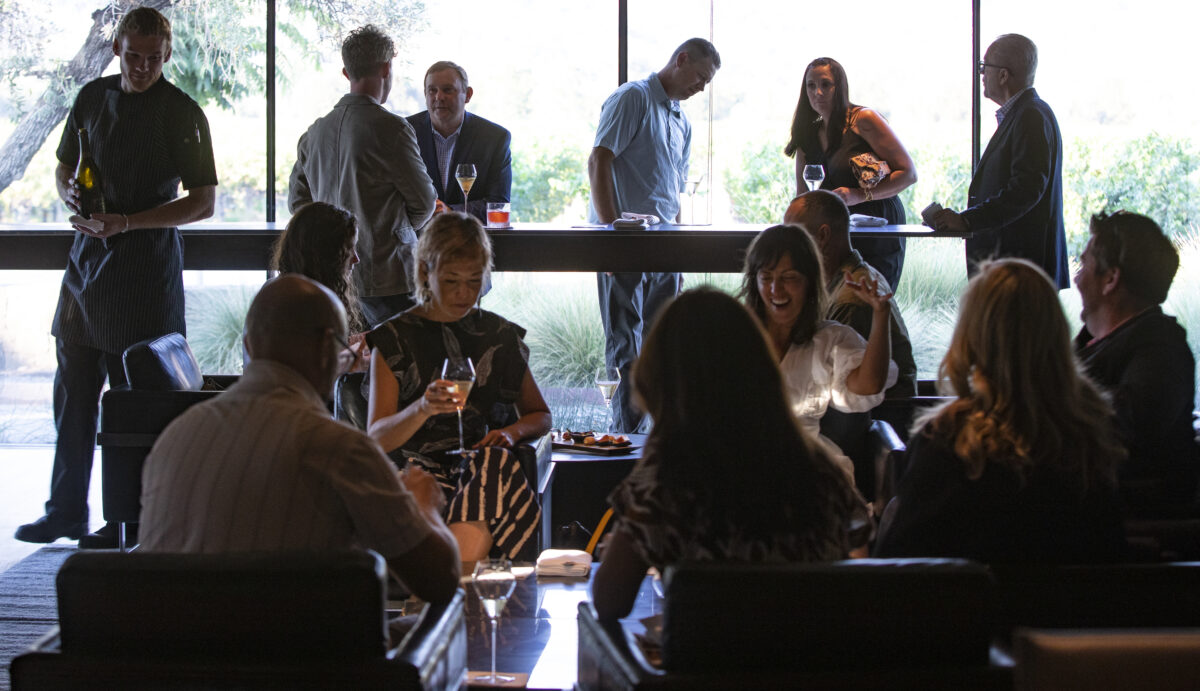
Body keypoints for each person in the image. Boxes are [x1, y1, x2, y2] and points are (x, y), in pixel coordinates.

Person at [16, 7, 218, 547]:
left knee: (134, 408)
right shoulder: (89, 100)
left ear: (168, 55)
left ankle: (127, 521)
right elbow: (63, 167)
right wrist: (68, 193)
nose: (142, 67)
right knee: (73, 397)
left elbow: (202, 203)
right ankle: (64, 511)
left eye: (153, 59)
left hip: (144, 274)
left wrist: (129, 222)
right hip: (86, 269)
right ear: (117, 51)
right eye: (133, 57)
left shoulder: (183, 113)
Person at [139, 275, 460, 606]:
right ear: (326, 348)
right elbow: (440, 581)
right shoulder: (338, 448)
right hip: (292, 654)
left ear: (248, 345)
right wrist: (422, 507)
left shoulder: (174, 437)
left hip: (171, 650)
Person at [592, 289, 862, 621]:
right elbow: (858, 550)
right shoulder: (822, 471)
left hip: (711, 666)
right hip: (811, 666)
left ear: (662, 380)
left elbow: (609, 600)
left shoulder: (671, 480)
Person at [874, 259, 1127, 563]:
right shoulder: (1093, 438)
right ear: (1056, 332)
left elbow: (905, 563)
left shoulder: (947, 442)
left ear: (972, 339)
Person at [365, 212, 551, 565]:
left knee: (493, 462)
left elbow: (540, 415)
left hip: (482, 468)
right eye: (451, 281)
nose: (464, 293)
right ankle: (464, 587)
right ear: (425, 272)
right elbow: (375, 439)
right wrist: (422, 408)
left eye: (474, 280)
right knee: (493, 480)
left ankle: (444, 589)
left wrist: (511, 433)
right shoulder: (393, 339)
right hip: (416, 474)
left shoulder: (500, 336)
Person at [588, 38, 721, 433]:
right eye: (700, 77)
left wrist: (677, 253)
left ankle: (654, 441)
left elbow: (673, 190)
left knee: (662, 348)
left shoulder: (682, 120)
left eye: (707, 82)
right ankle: (625, 443)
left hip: (665, 248)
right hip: (626, 247)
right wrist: (613, 237)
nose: (702, 87)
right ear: (681, 61)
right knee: (626, 347)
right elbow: (599, 159)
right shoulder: (633, 98)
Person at [289, 24, 437, 328]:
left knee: (350, 363)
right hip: (388, 276)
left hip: (332, 276)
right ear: (386, 68)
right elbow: (424, 202)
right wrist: (396, 232)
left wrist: (330, 243)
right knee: (400, 365)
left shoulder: (314, 133)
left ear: (347, 73)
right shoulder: (391, 129)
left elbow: (298, 205)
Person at [741, 224, 897, 466]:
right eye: (766, 278)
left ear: (809, 282)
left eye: (789, 278)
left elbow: (869, 385)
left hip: (807, 467)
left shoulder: (830, 339)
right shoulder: (734, 335)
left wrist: (881, 315)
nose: (775, 289)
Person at [1073, 211, 1198, 513]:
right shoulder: (1094, 344)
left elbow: (1129, 427)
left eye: (1084, 264)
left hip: (1127, 518)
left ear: (1111, 279)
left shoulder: (1161, 348)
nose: (1076, 277)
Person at [928, 34, 1069, 289]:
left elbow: (1026, 189)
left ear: (1004, 75)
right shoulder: (1027, 113)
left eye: (985, 67)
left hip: (1021, 270)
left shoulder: (1031, 116)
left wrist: (968, 220)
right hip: (1017, 268)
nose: (981, 74)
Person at [785, 57, 916, 291]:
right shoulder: (808, 134)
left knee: (870, 303)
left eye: (826, 84)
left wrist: (858, 194)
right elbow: (802, 196)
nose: (818, 92)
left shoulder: (863, 120)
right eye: (811, 86)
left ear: (841, 87)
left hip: (876, 228)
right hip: (833, 234)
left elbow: (908, 174)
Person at [784, 191, 916, 398]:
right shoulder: (847, 277)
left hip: (884, 413)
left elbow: (841, 385)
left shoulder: (851, 299)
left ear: (823, 235)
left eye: (795, 235)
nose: (788, 246)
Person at [407, 61, 511, 222]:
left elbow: (499, 204)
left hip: (472, 240)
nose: (438, 97)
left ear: (468, 95)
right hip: (416, 242)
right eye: (432, 90)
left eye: (447, 90)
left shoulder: (494, 138)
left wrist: (451, 212)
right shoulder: (405, 132)